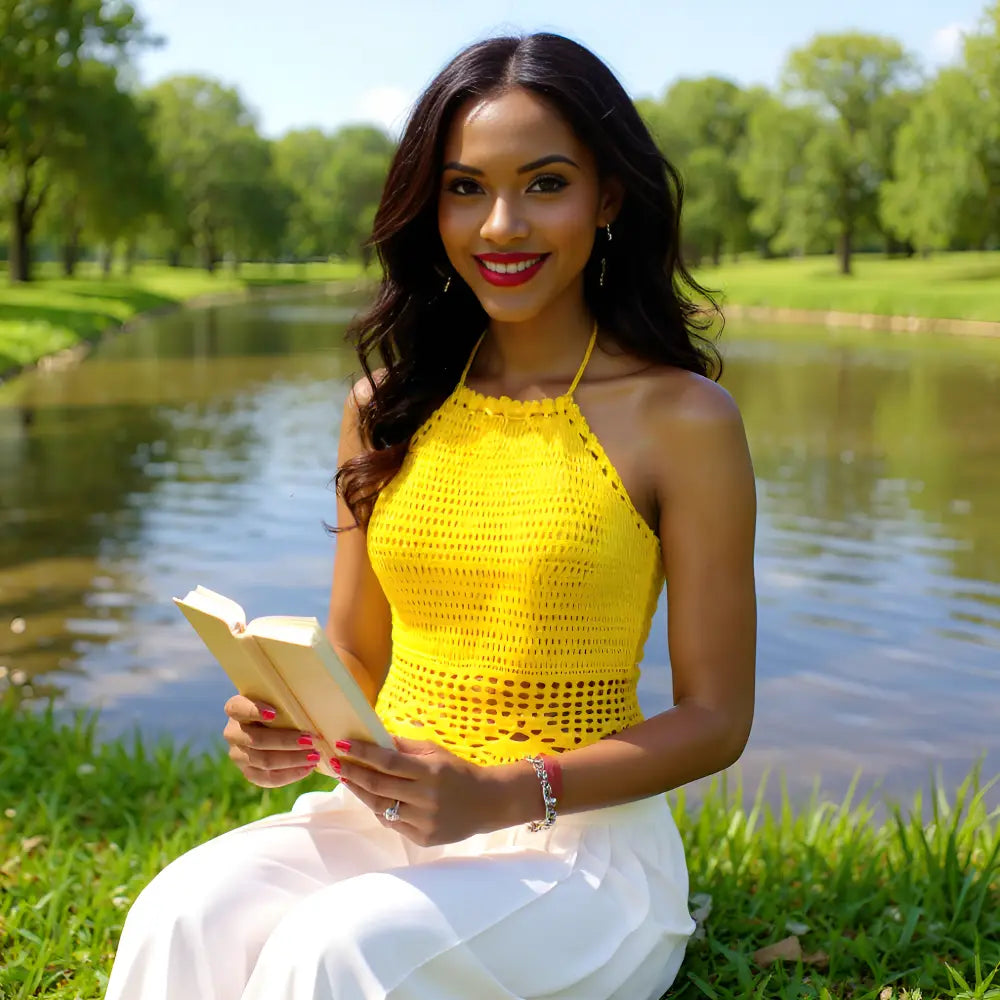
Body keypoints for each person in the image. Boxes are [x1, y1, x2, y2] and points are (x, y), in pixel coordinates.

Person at [104, 30, 757, 1000]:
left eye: (543, 183)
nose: (500, 224)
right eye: (464, 187)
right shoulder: (385, 410)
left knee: (336, 947)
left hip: (581, 854)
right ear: (431, 205)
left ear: (606, 197)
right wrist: (286, 723)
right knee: (180, 907)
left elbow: (715, 718)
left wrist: (503, 789)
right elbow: (358, 655)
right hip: (384, 817)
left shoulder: (682, 418)